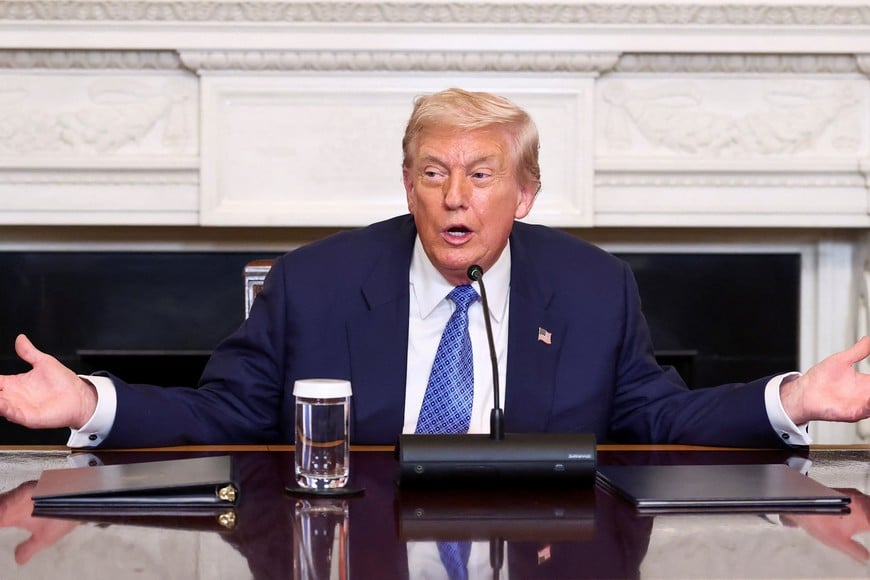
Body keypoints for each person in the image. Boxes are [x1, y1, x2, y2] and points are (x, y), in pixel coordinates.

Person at [0, 88, 868, 448]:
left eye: (482, 175)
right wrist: (92, 400)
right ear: (408, 184)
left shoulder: (594, 286)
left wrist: (794, 399)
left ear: (524, 193)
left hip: (540, 555)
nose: (456, 198)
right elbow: (224, 414)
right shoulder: (318, 282)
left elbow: (657, 420)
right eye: (433, 173)